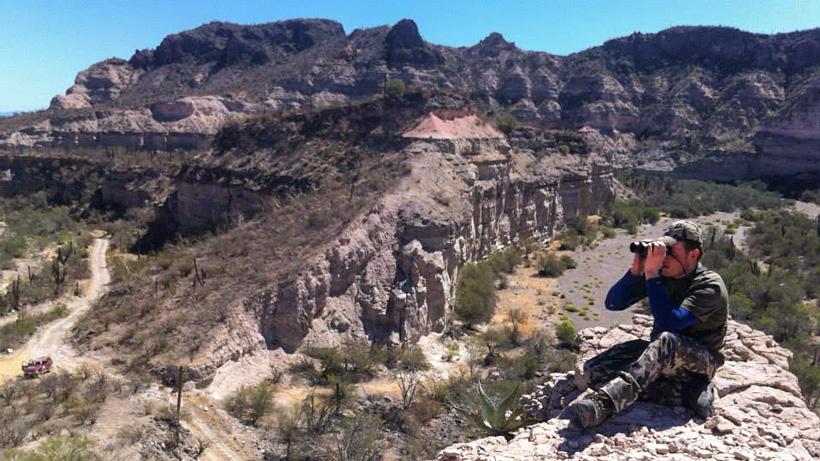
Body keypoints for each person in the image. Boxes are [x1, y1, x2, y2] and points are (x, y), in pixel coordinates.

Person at [563, 220, 728, 429]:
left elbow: (671, 324)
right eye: (662, 250)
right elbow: (613, 303)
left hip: (701, 361)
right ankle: (685, 393)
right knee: (596, 370)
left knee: (666, 340)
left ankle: (604, 404)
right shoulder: (663, 276)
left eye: (670, 251)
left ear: (693, 255)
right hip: (661, 355)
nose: (664, 257)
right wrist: (636, 270)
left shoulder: (710, 285)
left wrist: (651, 275)